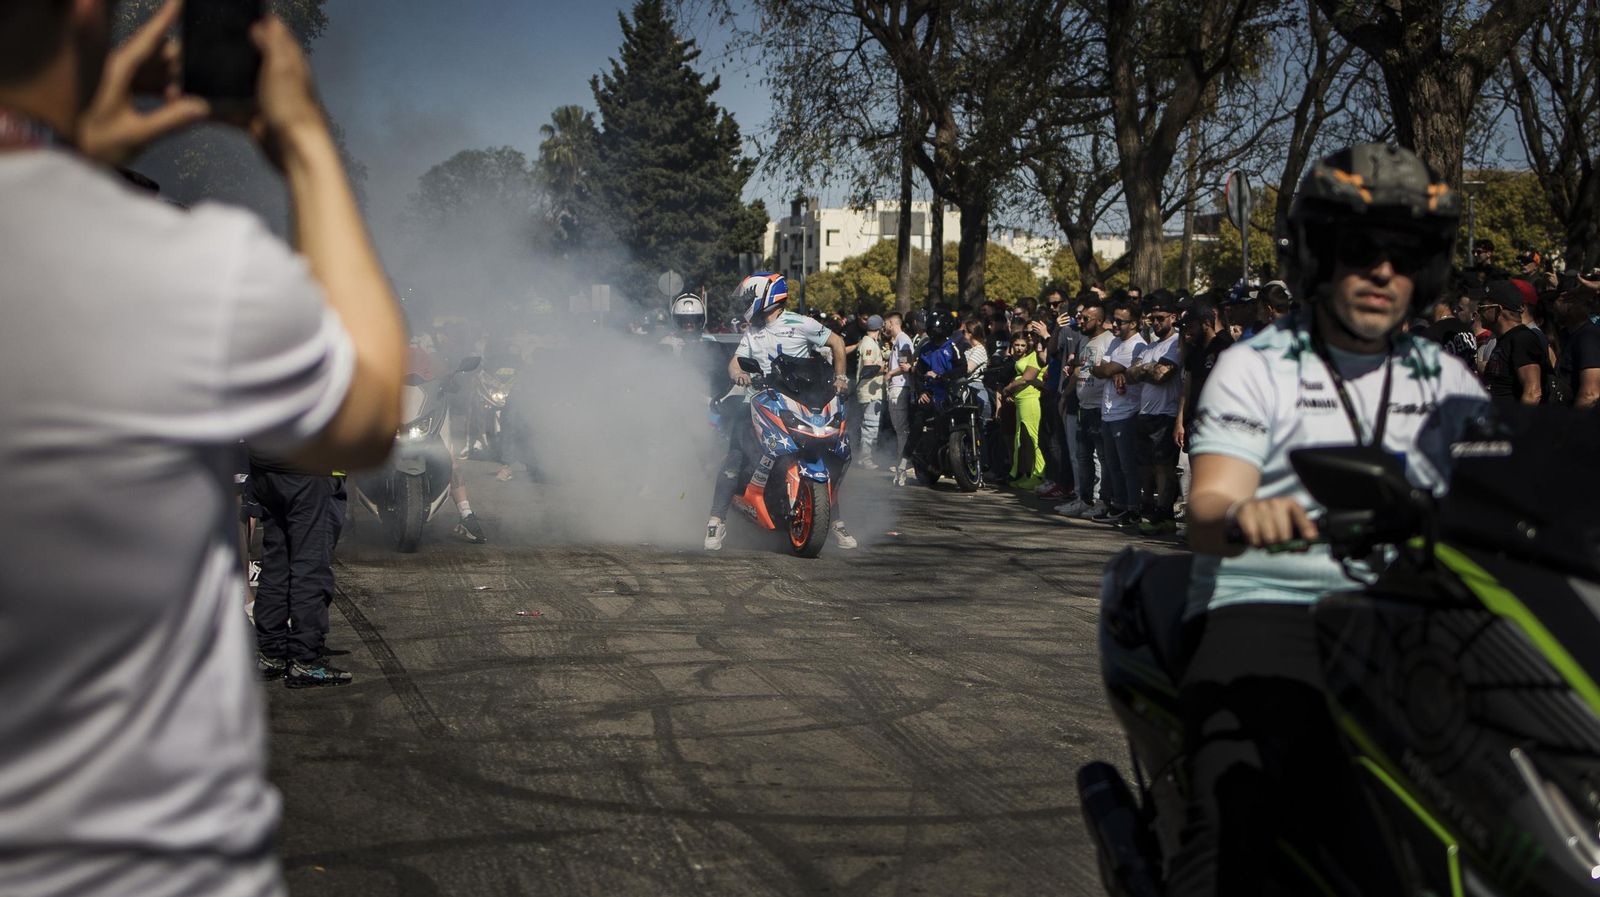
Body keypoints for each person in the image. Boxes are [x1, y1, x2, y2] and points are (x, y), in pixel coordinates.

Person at [0, 3, 407, 895]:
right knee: (305, 558)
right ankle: (298, 649)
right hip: (155, 857)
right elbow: (371, 404)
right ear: (84, 21)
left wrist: (68, 151)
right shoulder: (193, 269)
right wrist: (303, 139)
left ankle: (275, 644)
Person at [1177, 143, 1485, 896]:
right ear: (1319, 253)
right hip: (1268, 607)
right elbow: (1207, 505)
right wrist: (1253, 514)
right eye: (1360, 248)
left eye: (1404, 253)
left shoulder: (1449, 379)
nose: (1383, 270)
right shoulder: (1256, 365)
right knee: (1237, 808)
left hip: (1408, 615)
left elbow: (1497, 494)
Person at [703, 273, 856, 550]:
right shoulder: (752, 331)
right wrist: (739, 375)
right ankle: (717, 520)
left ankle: (835, 521)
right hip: (759, 402)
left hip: (800, 404)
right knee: (736, 455)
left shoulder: (802, 323)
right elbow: (735, 362)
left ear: (768, 296)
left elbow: (837, 343)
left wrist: (841, 377)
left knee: (827, 452)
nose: (747, 303)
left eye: (750, 298)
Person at [1128, 291, 1183, 534]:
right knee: (1146, 466)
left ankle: (1164, 512)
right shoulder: (1150, 347)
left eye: (1161, 317)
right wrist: (1147, 368)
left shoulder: (1177, 342)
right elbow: (1130, 375)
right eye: (1153, 319)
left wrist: (1144, 369)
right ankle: (1148, 507)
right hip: (1144, 413)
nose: (1156, 323)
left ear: (1173, 316)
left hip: (1165, 413)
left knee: (1163, 466)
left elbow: (1162, 375)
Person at [1091, 301, 1146, 525]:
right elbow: (1097, 368)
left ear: (1134, 323)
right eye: (1113, 320)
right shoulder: (1115, 343)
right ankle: (1119, 504)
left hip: (1126, 414)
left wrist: (1110, 370)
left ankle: (1133, 508)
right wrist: (1112, 371)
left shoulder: (1138, 346)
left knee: (1127, 466)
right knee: (1112, 465)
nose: (1114, 325)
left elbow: (1103, 369)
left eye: (1120, 321)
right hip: (1108, 412)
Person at [1058, 301, 1110, 518]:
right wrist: (1066, 395)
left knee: (1101, 458)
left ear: (1098, 320)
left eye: (1085, 318)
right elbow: (1080, 370)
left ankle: (1102, 500)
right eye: (1079, 318)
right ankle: (1084, 499)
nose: (1080, 321)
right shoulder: (1086, 341)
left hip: (1100, 409)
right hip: (1083, 406)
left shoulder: (1109, 341)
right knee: (1083, 456)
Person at [1479, 278, 1549, 405]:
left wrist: (1518, 423)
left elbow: (1533, 392)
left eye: (1482, 307)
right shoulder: (1506, 339)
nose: (1478, 313)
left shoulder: (1522, 339)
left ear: (1497, 310)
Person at [998, 331, 1046, 489]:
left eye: (1023, 345)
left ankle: (1039, 474)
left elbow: (1027, 378)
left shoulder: (1034, 357)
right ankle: (1020, 473)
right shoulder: (1023, 358)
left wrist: (1008, 388)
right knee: (1020, 439)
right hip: (1020, 400)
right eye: (1016, 345)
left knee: (1034, 438)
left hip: (1031, 399)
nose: (1019, 348)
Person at [1554, 273, 1600, 410]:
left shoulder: (1588, 337)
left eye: (1564, 298)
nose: (1556, 303)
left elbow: (1590, 394)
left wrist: (1572, 427)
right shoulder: (1567, 335)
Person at [848, 314, 886, 468]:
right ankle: (866, 459)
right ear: (880, 328)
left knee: (867, 425)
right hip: (870, 392)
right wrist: (883, 367)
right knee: (871, 427)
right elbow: (869, 365)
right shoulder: (869, 344)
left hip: (867, 391)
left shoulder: (866, 342)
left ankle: (863, 457)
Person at [883, 311, 917, 484]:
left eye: (885, 324)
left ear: (891, 323)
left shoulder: (903, 340)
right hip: (897, 386)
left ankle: (903, 467)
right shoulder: (898, 341)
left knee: (901, 430)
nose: (884, 327)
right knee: (899, 430)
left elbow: (905, 365)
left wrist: (890, 373)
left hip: (900, 387)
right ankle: (901, 465)